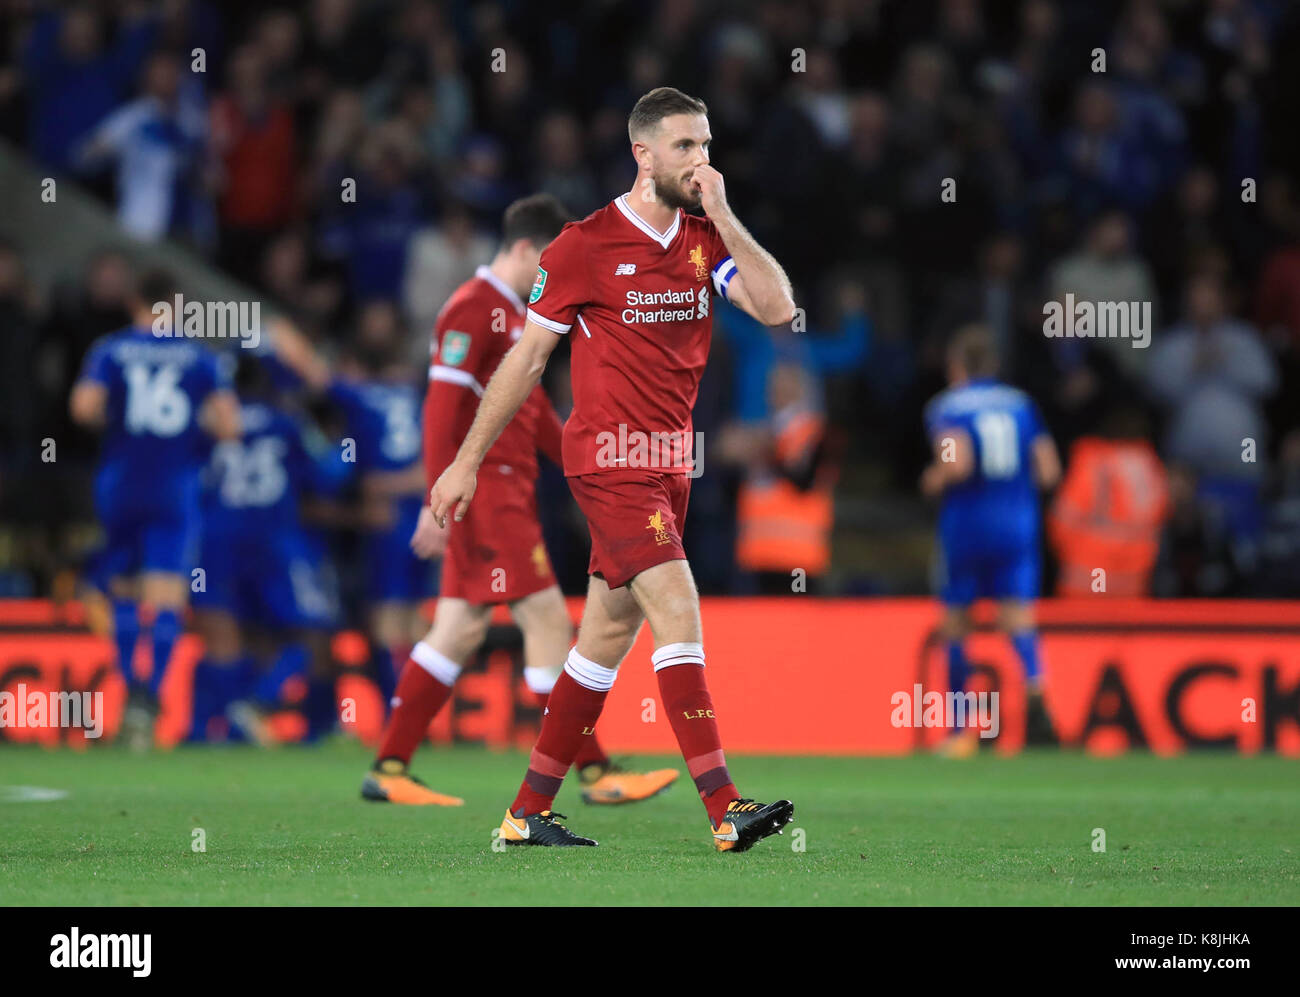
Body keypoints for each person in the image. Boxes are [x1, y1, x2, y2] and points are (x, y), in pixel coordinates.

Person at [431, 87, 797, 851]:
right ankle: (725, 806)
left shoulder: (703, 241)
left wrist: (726, 216)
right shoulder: (583, 246)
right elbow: (526, 359)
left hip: (670, 466)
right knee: (677, 601)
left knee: (603, 634)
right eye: (684, 147)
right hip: (607, 457)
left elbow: (775, 308)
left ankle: (525, 813)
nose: (700, 161)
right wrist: (465, 461)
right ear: (643, 154)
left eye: (706, 146)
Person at [363, 193, 677, 807]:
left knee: (456, 630)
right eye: (552, 262)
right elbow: (440, 407)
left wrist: (593, 473)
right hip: (486, 491)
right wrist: (438, 496)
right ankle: (593, 772)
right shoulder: (473, 308)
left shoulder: (512, 315)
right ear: (529, 250)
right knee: (547, 620)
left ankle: (389, 767)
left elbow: (531, 416)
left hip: (506, 487)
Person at [69, 268, 241, 747]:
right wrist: (194, 425)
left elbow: (83, 408)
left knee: (122, 587)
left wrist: (121, 422)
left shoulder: (110, 348)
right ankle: (152, 698)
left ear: (134, 302)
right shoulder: (200, 357)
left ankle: (130, 691)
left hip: (120, 481)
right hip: (175, 483)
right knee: (165, 593)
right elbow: (229, 426)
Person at [921, 324, 1061, 754]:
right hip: (1018, 523)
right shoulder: (1020, 404)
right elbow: (1048, 469)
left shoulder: (949, 406)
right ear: (994, 365)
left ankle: (963, 732)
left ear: (956, 365)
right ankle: (1036, 686)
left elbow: (956, 463)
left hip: (968, 526)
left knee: (957, 621)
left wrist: (933, 477)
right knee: (1017, 614)